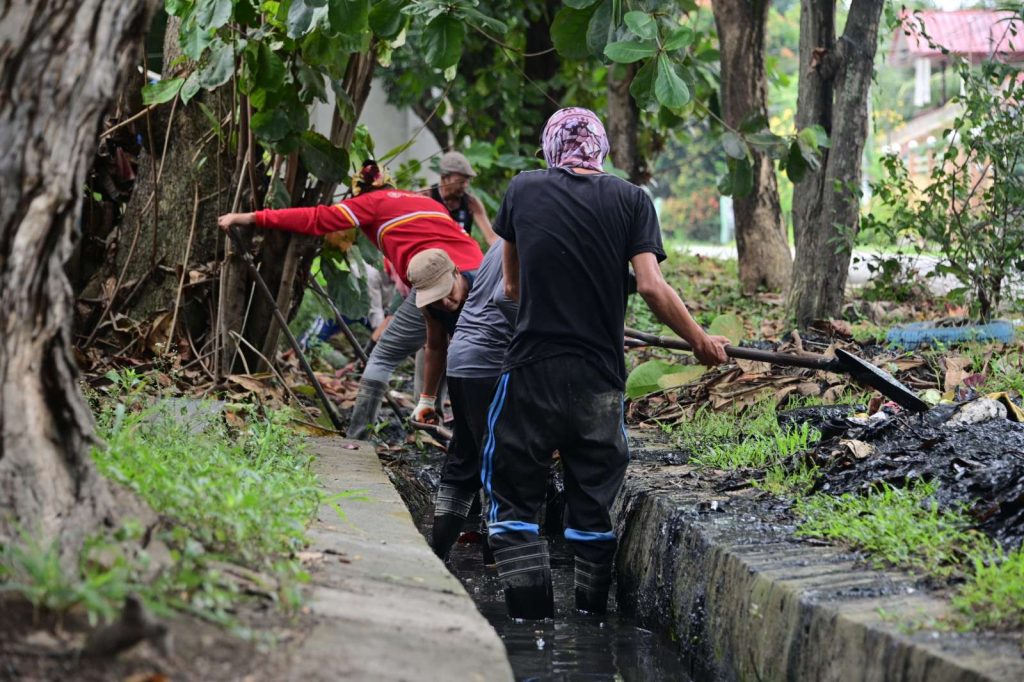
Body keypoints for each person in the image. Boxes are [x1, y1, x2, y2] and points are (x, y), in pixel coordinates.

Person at [482, 107, 730, 620]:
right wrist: (700, 340)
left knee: (513, 502)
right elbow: (650, 285)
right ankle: (592, 626)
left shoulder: (523, 189)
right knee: (592, 504)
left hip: (531, 369)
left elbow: (511, 287)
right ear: (601, 149)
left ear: (551, 148)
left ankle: (529, 635)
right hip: (599, 376)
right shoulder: (633, 199)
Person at [217, 161, 484, 439]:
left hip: (434, 278)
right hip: (476, 274)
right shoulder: (424, 201)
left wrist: (252, 217)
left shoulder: (370, 202)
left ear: (361, 191)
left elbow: (317, 218)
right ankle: (439, 423)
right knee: (453, 346)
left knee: (383, 357)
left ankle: (358, 438)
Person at [405, 243, 516, 561]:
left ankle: (485, 550)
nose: (444, 301)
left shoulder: (483, 284)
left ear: (456, 272)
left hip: (492, 369)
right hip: (468, 371)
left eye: (446, 290)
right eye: (434, 297)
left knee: (477, 453)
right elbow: (435, 346)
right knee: (486, 454)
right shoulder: (432, 305)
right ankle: (448, 555)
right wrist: (427, 399)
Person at [428, 151, 499, 246]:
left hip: (461, 255)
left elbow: (491, 237)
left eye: (467, 181)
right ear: (444, 177)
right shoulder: (427, 197)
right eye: (460, 182)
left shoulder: (471, 203)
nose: (465, 186)